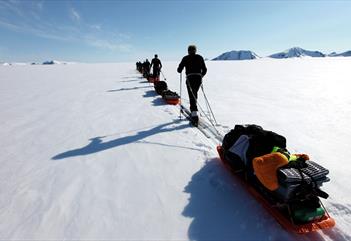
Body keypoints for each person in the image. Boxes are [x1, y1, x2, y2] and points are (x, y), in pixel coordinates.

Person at [177, 45, 207, 122]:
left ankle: (194, 112)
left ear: (188, 51)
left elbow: (179, 70)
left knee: (191, 94)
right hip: (198, 78)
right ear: (195, 50)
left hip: (190, 78)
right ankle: (194, 110)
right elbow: (205, 70)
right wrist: (201, 76)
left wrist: (180, 69)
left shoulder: (185, 58)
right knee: (194, 93)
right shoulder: (200, 57)